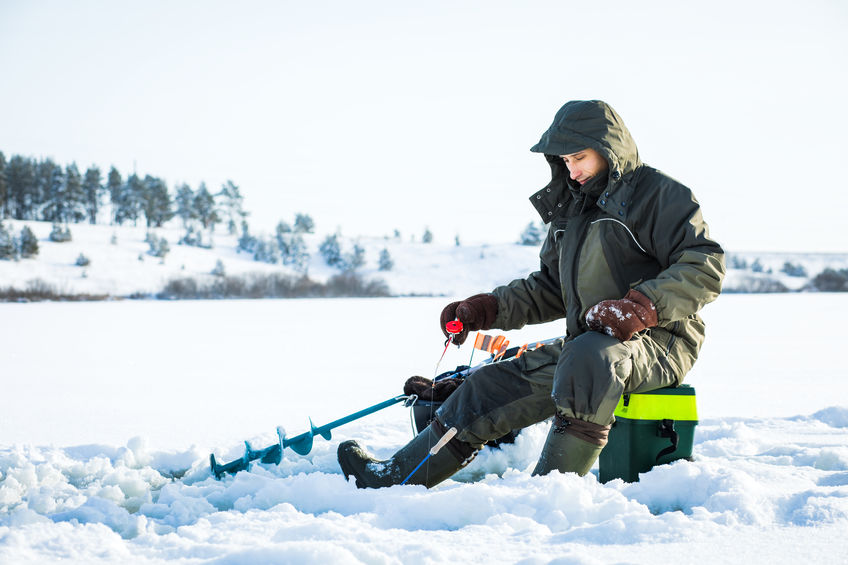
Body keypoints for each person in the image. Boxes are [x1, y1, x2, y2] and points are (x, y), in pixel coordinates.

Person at [338, 99, 725, 488]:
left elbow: (704, 265)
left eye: (580, 157)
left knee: (589, 360)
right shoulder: (571, 212)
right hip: (585, 347)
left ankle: (548, 494)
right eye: (565, 160)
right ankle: (393, 478)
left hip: (660, 341)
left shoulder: (659, 195)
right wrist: (485, 310)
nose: (572, 170)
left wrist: (640, 307)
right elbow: (550, 289)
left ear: (609, 149)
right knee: (487, 386)